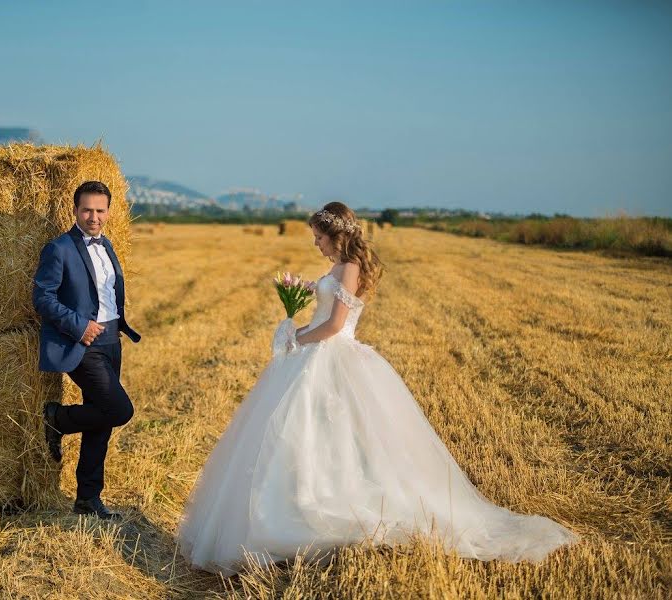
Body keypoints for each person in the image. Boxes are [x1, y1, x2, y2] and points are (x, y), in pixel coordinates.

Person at [176, 202, 577, 575]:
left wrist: (297, 337)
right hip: (318, 356)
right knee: (301, 439)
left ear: (338, 235)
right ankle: (291, 511)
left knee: (328, 437)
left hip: (332, 354)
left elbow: (334, 325)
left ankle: (322, 514)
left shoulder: (349, 266)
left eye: (319, 237)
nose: (316, 245)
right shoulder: (339, 267)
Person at [33, 180, 141, 520]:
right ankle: (58, 419)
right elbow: (42, 297)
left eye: (100, 210)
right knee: (120, 409)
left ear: (109, 212)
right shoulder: (59, 248)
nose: (94, 217)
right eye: (87, 210)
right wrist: (79, 325)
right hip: (82, 343)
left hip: (111, 340)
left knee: (102, 421)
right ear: (75, 210)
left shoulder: (107, 245)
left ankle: (87, 498)